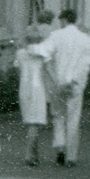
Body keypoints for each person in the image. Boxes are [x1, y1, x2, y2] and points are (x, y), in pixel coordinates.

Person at [41, 8, 90, 166]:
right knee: (73, 119)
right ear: (75, 20)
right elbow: (86, 65)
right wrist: (75, 80)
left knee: (58, 116)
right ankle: (71, 156)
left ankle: (60, 148)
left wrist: (55, 78)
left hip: (58, 83)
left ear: (63, 20)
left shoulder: (55, 36)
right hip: (75, 84)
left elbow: (45, 57)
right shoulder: (86, 39)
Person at [17, 16, 52, 165]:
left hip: (24, 88)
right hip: (37, 88)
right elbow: (49, 71)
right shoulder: (42, 54)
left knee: (30, 122)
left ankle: (35, 153)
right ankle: (29, 153)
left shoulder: (20, 53)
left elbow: (18, 70)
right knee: (35, 123)